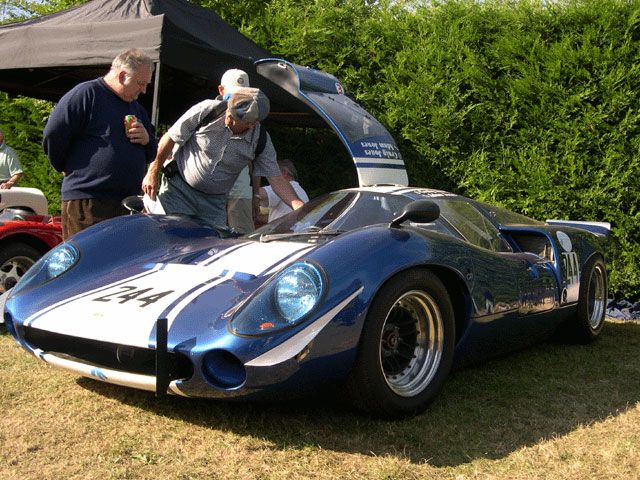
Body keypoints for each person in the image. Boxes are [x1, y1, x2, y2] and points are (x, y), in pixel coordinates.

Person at [142, 87, 304, 229]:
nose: (228, 118)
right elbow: (171, 137)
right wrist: (153, 170)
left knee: (208, 249)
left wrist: (298, 205)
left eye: (235, 119)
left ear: (252, 124)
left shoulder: (260, 139)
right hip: (178, 191)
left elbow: (275, 177)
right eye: (229, 111)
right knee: (170, 238)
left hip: (214, 204)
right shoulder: (207, 110)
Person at [43, 48, 157, 239]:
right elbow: (53, 135)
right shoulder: (87, 94)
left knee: (120, 266)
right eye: (141, 83)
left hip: (126, 204)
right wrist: (65, 167)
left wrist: (147, 140)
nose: (144, 90)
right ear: (122, 76)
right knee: (87, 264)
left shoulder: (136, 108)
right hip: (88, 202)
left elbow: (151, 152)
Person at [219, 69, 258, 234]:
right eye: (233, 94)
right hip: (210, 195)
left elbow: (254, 160)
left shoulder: (253, 120)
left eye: (243, 94)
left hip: (240, 193)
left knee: (242, 243)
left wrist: (255, 195)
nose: (237, 99)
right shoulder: (205, 114)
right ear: (221, 91)